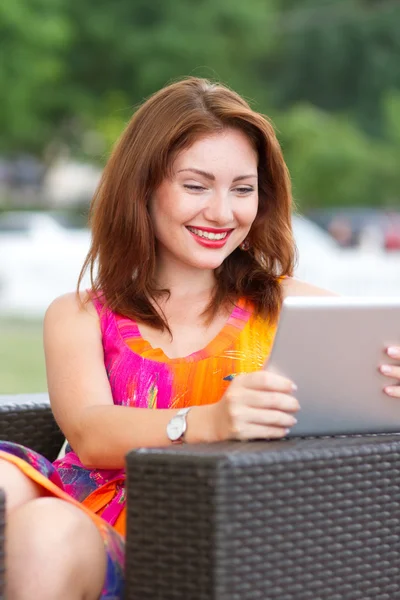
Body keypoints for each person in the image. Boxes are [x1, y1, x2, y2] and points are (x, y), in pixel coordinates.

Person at [1, 76, 400, 600]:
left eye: (242, 188)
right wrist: (207, 421)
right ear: (143, 187)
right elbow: (92, 434)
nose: (222, 213)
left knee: (43, 531)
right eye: (196, 186)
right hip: (87, 513)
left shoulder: (295, 309)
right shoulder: (79, 314)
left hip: (213, 534)